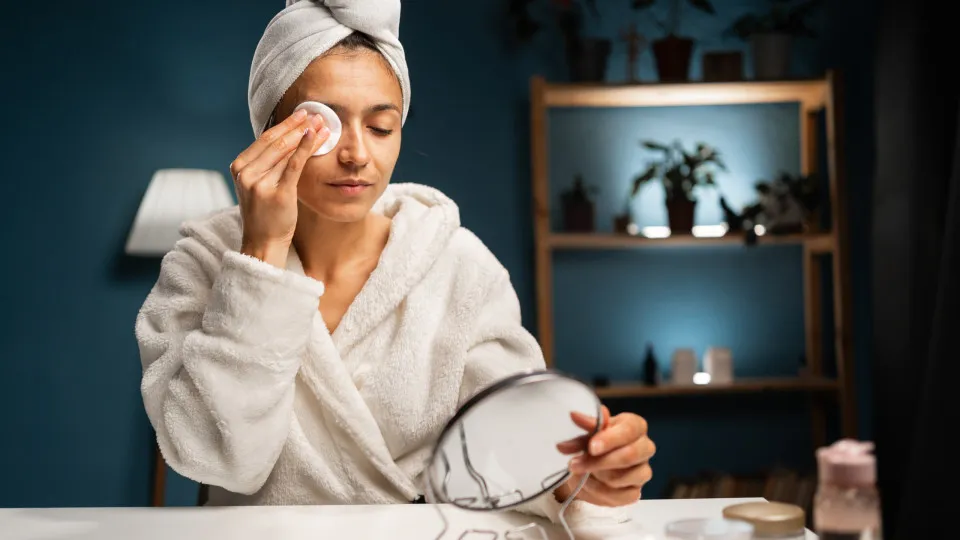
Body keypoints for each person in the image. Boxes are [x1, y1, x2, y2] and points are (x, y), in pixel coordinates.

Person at [135, 0, 655, 522]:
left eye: (382, 127)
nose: (358, 154)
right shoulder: (200, 267)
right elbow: (216, 458)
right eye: (325, 127)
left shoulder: (457, 266)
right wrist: (261, 259)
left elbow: (513, 446)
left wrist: (579, 476)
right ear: (268, 130)